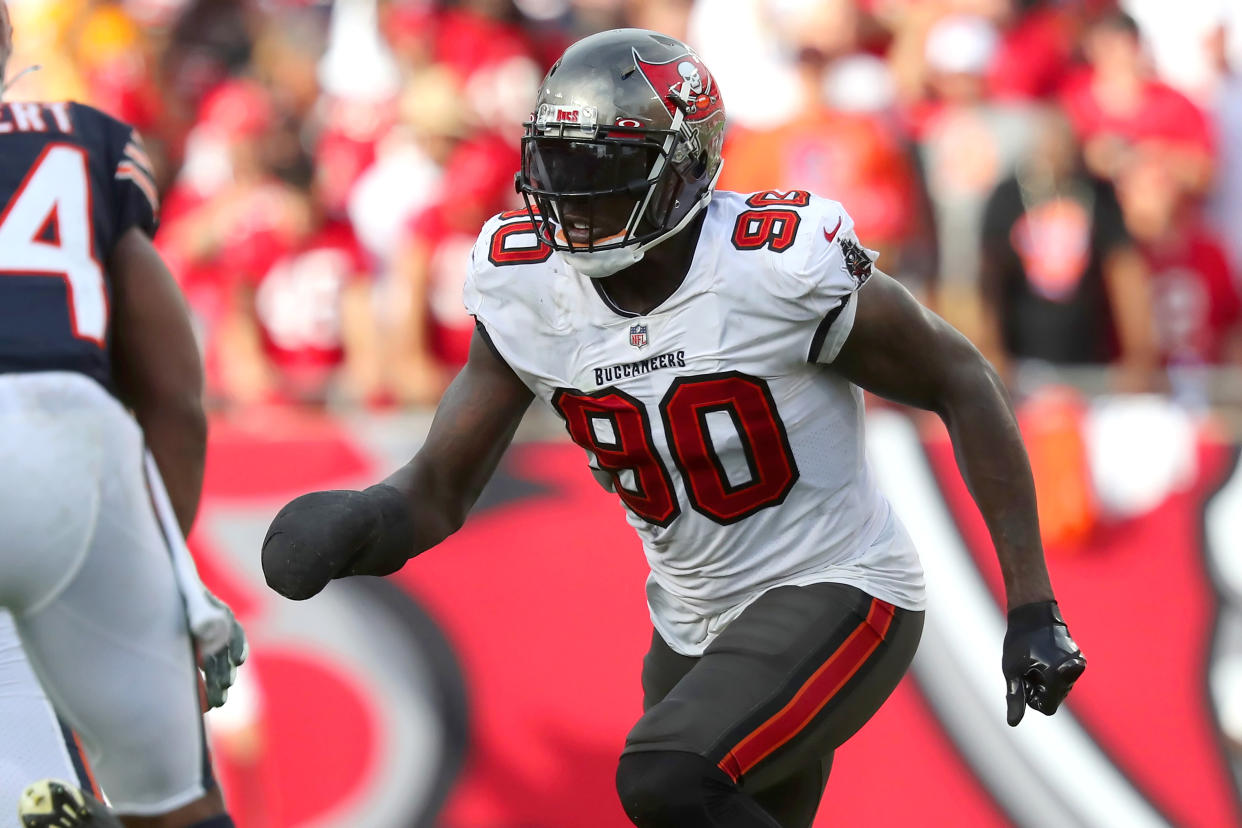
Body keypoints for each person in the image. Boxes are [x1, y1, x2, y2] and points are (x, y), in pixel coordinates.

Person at [261, 29, 1086, 827]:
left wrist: (1031, 606)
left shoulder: (775, 264)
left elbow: (962, 381)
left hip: (839, 583)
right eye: (560, 163)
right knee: (685, 794)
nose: (575, 195)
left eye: (604, 170)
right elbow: (440, 488)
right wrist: (366, 520)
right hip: (691, 615)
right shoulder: (524, 285)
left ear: (686, 168)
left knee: (667, 773)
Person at [0, 4, 244, 827]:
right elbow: (174, 393)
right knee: (169, 804)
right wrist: (165, 592)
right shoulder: (76, 139)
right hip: (63, 446)